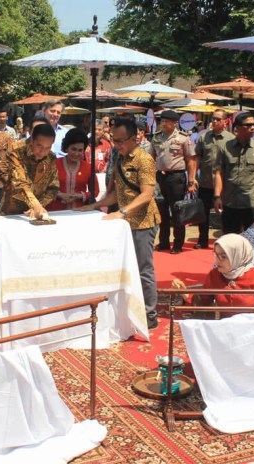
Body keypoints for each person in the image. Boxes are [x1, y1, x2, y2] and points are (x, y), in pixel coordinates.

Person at [79, 118, 160, 329]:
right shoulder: (118, 158)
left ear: (135, 138)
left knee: (143, 269)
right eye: (114, 140)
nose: (117, 144)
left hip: (142, 222)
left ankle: (150, 315)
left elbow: (147, 194)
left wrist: (122, 212)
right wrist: (94, 206)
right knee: (124, 268)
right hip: (123, 223)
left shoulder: (144, 159)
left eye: (121, 140)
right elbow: (115, 194)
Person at [171, 234, 254, 311]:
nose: (217, 261)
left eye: (223, 256)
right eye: (216, 255)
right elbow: (203, 302)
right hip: (223, 332)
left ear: (238, 256)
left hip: (253, 333)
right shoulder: (215, 275)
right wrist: (184, 293)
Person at [213, 112, 254, 234]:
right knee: (231, 243)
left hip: (252, 204)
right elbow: (218, 173)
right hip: (230, 203)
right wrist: (217, 196)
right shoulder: (225, 147)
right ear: (237, 128)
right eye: (248, 125)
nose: (252, 128)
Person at [149, 110, 196, 254]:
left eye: (167, 121)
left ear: (174, 123)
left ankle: (177, 244)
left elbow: (191, 160)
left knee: (177, 211)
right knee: (161, 211)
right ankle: (163, 242)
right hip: (160, 177)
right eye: (162, 121)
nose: (163, 123)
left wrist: (192, 181)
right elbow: (151, 158)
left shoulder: (183, 138)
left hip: (176, 177)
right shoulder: (156, 138)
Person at [0, 123, 59, 218]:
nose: (43, 152)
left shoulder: (50, 158)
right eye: (39, 146)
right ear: (32, 140)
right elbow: (20, 183)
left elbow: (53, 187)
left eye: (48, 148)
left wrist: (40, 205)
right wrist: (35, 204)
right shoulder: (16, 151)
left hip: (35, 214)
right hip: (11, 212)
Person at [194, 110, 233, 248]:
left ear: (225, 121)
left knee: (225, 214)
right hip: (205, 182)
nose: (214, 121)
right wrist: (193, 178)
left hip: (224, 185)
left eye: (218, 119)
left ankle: (226, 242)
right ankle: (202, 240)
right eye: (213, 119)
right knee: (202, 214)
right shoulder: (204, 137)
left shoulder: (231, 139)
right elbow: (197, 157)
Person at [48, 128, 98, 211]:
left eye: (80, 150)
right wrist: (59, 195)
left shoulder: (88, 167)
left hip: (79, 212)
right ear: (66, 148)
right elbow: (43, 188)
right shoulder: (53, 165)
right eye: (73, 149)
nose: (76, 153)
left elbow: (95, 191)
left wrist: (79, 195)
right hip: (55, 212)